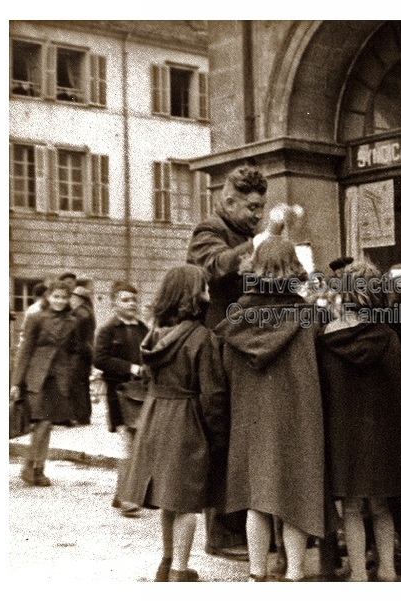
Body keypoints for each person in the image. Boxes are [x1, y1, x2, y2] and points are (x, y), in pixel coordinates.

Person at [186, 164, 287, 560]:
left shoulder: (246, 232)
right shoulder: (208, 230)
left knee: (241, 434)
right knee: (223, 434)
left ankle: (241, 528)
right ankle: (222, 534)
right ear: (227, 200)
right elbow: (211, 268)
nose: (257, 215)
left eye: (261, 207)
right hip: (220, 344)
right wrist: (260, 242)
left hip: (244, 341)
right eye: (251, 207)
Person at [216, 237, 328, 582]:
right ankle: (295, 574)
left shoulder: (238, 316)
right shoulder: (308, 315)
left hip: (252, 418)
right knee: (297, 496)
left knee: (257, 497)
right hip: (300, 417)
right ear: (294, 268)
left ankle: (256, 574)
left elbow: (227, 371)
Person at [121, 265, 228, 582]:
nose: (209, 294)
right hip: (187, 421)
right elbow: (213, 395)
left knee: (169, 498)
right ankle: (181, 572)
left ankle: (167, 563)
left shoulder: (153, 336)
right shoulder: (202, 338)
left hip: (156, 416)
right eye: (205, 289)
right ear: (193, 297)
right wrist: (218, 436)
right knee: (187, 504)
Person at [317, 259, 401, 582]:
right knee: (381, 506)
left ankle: (358, 574)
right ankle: (387, 569)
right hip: (383, 432)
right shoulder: (389, 337)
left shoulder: (326, 339)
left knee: (350, 508)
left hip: (343, 434)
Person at [10, 280, 79, 486]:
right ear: (48, 297)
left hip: (58, 379)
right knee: (41, 423)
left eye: (64, 297)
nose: (59, 301)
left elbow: (75, 350)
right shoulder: (36, 318)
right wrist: (16, 382)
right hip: (36, 377)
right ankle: (32, 468)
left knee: (46, 425)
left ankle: (37, 468)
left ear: (68, 299)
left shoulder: (72, 322)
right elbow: (25, 350)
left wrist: (70, 372)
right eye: (56, 296)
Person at [93, 281, 149, 516]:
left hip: (142, 393)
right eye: (125, 300)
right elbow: (100, 360)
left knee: (139, 443)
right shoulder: (108, 330)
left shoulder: (142, 329)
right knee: (128, 442)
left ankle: (123, 493)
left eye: (134, 300)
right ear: (114, 302)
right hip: (119, 394)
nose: (131, 304)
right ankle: (127, 497)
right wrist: (132, 368)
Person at [70, 285, 96, 425]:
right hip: (86, 352)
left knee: (77, 384)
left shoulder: (80, 313)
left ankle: (80, 415)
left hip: (79, 353)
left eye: (73, 297)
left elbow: (74, 335)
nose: (71, 299)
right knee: (83, 384)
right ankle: (84, 414)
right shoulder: (87, 311)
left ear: (79, 298)